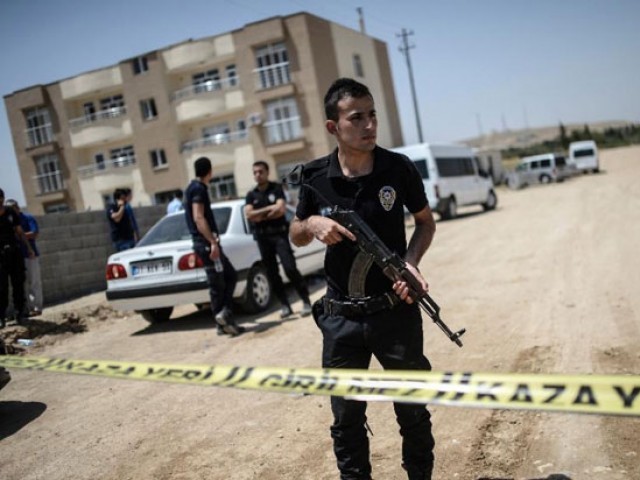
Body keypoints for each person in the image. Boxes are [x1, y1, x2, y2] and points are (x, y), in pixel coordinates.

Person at [290, 78, 437, 480]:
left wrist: (410, 262)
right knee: (346, 419)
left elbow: (425, 223)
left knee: (413, 412)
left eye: (373, 115)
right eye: (357, 117)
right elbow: (295, 232)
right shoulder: (314, 177)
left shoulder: (398, 168)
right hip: (341, 320)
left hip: (396, 310)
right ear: (333, 127)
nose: (370, 124)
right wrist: (314, 223)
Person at [184, 157, 244, 336]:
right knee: (227, 278)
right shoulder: (198, 189)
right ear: (210, 171)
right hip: (206, 244)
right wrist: (212, 242)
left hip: (203, 243)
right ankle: (224, 315)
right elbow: (198, 217)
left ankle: (222, 322)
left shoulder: (190, 188)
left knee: (218, 283)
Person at [244, 160, 312, 319]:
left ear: (267, 172)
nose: (258, 175)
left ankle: (306, 300)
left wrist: (259, 214)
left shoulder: (276, 188)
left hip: (279, 235)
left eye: (260, 171)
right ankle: (285, 305)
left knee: (289, 268)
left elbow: (280, 210)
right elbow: (248, 214)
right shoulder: (250, 195)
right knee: (272, 273)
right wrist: (269, 210)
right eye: (255, 172)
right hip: (263, 238)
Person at [1, 188, 34, 327]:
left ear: (2, 199)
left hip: (14, 252)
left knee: (18, 284)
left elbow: (19, 232)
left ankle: (19, 313)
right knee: (1, 287)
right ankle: (1, 317)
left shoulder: (10, 212)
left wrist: (29, 248)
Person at [5, 200, 43, 317]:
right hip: (16, 256)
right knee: (21, 284)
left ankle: (37, 307)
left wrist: (18, 235)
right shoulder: (8, 220)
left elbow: (34, 233)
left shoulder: (27, 218)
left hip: (30, 255)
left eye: (13, 207)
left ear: (17, 207)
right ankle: (25, 309)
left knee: (34, 281)